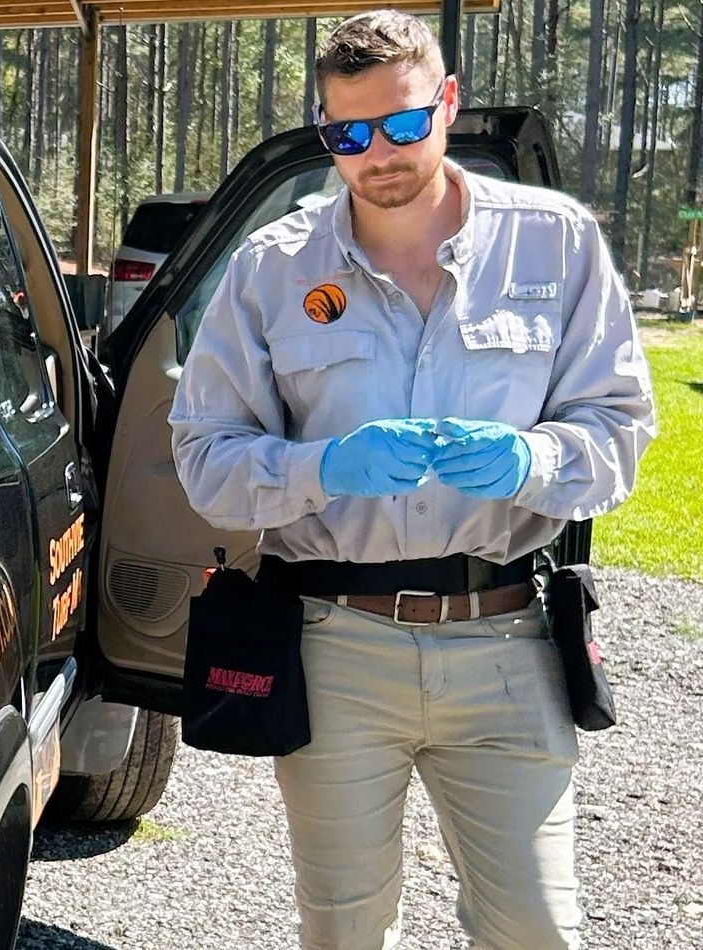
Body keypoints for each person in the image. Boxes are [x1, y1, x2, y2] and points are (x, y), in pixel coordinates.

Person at [169, 11, 655, 950]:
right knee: (344, 931)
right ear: (326, 132)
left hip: (507, 640)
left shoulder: (553, 246)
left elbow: (621, 431)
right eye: (347, 134)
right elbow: (205, 461)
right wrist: (322, 468)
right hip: (335, 644)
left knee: (540, 930)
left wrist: (534, 461)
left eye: (400, 124)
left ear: (448, 104)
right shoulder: (272, 268)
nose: (377, 153)